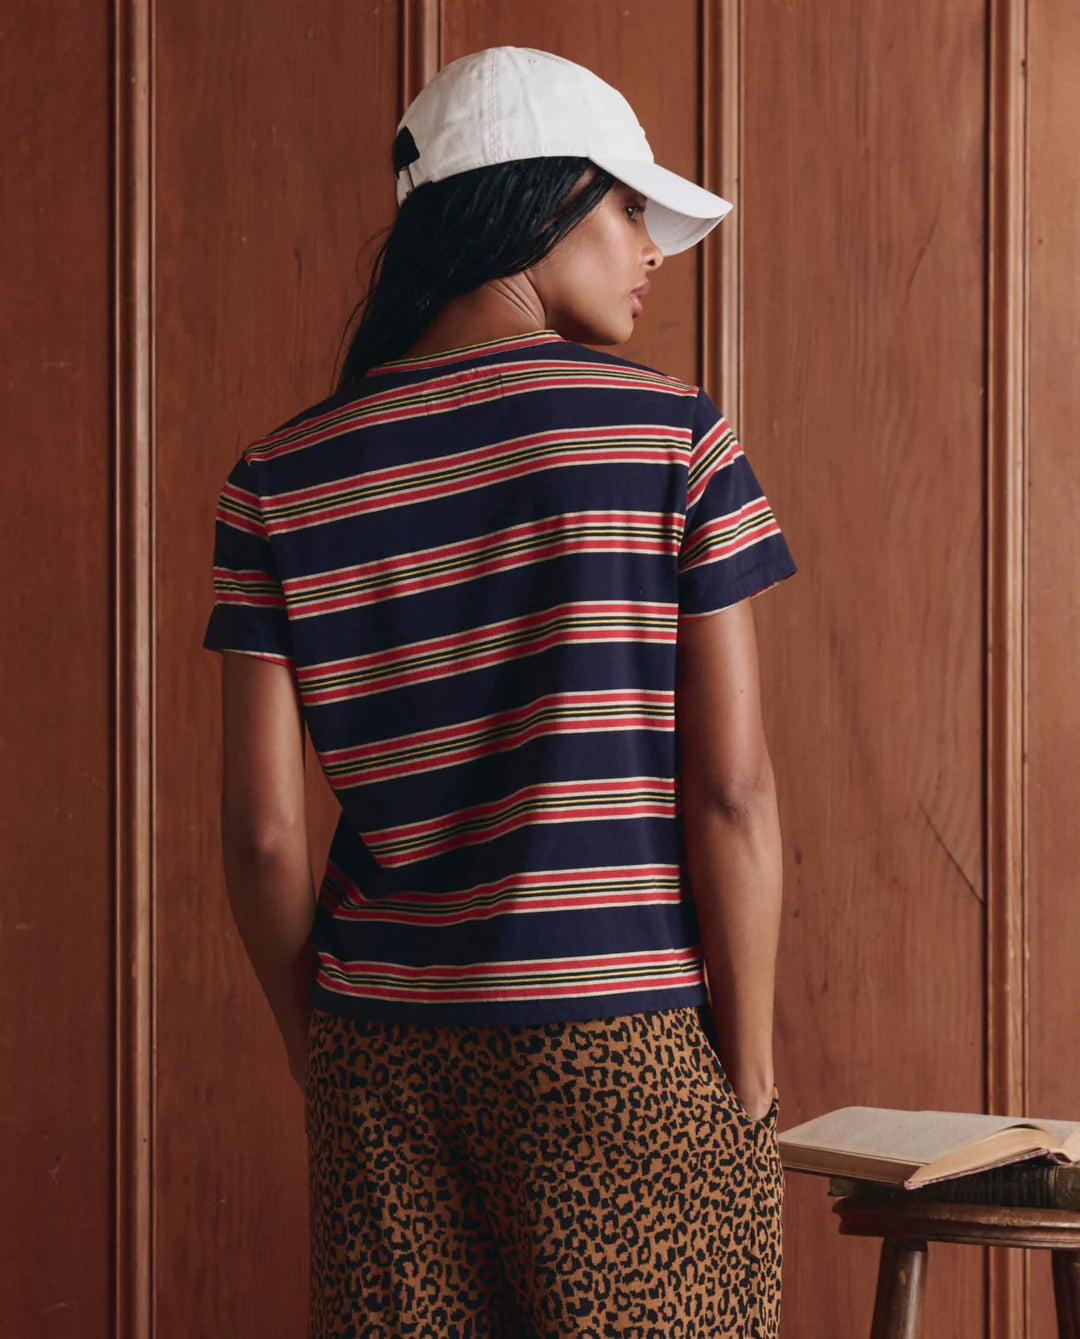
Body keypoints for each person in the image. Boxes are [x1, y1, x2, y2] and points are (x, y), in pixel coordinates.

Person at [203, 45, 796, 1339]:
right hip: (622, 1035)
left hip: (382, 1048)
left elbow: (260, 838)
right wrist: (745, 1078)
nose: (651, 248)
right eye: (630, 208)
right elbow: (735, 793)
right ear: (538, 201)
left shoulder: (278, 477)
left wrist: (330, 1056)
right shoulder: (669, 438)